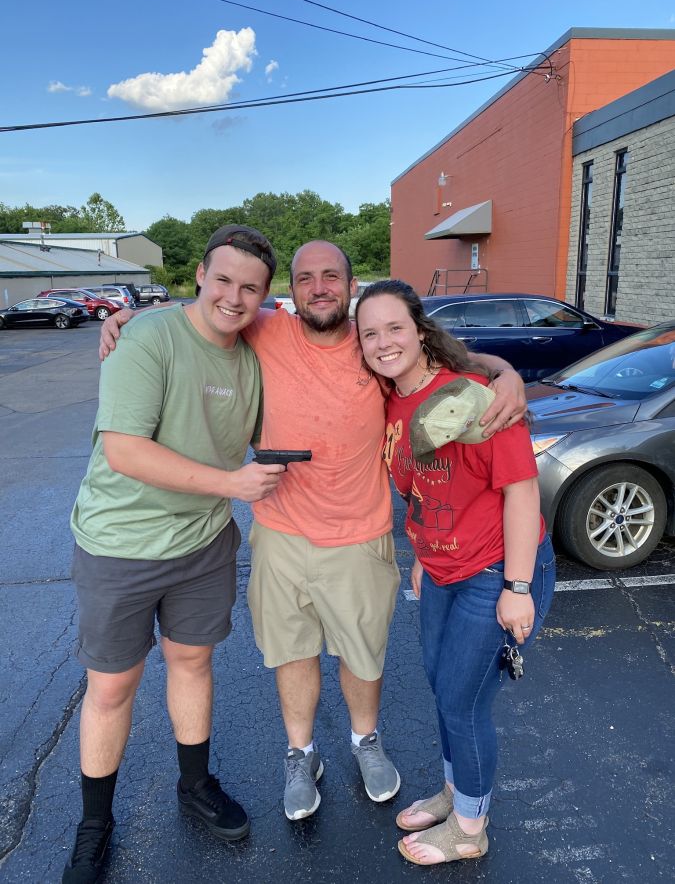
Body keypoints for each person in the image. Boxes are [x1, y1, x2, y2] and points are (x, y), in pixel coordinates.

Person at [100, 240, 528, 824]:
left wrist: (506, 375)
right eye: (305, 278)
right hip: (280, 532)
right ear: (290, 291)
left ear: (351, 287)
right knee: (292, 652)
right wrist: (130, 317)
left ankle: (365, 741)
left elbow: (456, 360)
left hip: (360, 535)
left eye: (331, 276)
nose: (319, 287)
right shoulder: (267, 329)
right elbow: (205, 310)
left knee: (362, 654)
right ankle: (300, 754)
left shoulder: (375, 345)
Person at [64, 225, 285, 883]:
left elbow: (363, 330)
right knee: (112, 686)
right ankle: (94, 824)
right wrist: (231, 484)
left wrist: (495, 370)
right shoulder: (149, 339)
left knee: (192, 662)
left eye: (250, 288)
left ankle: (195, 784)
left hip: (202, 543)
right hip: (121, 544)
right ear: (199, 276)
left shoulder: (256, 348)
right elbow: (124, 450)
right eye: (223, 280)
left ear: (265, 296)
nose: (234, 297)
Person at [355, 279, 555, 867]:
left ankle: (470, 828)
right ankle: (455, 793)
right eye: (370, 333)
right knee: (445, 692)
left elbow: (522, 492)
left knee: (463, 703)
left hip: (497, 569)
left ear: (420, 331)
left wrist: (518, 588)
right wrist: (424, 553)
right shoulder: (390, 400)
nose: (384, 343)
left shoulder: (476, 398)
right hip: (442, 570)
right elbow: (428, 489)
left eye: (395, 328)